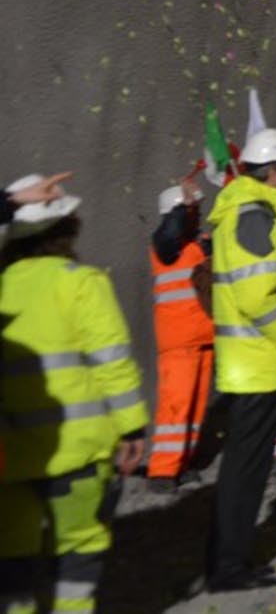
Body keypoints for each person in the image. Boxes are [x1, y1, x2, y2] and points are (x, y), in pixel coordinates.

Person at [0, 176, 149, 614]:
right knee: (78, 550)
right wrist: (132, 426)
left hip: (9, 457)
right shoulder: (80, 282)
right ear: (65, 231)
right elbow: (112, 362)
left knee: (12, 559)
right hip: (77, 452)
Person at [205, 128, 276, 592]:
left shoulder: (245, 211)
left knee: (243, 470)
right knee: (245, 473)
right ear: (275, 172)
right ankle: (228, 566)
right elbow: (255, 293)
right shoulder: (252, 215)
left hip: (253, 360)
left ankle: (231, 557)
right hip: (260, 361)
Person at [145, 179, 215, 492]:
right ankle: (162, 472)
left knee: (195, 409)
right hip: (178, 342)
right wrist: (180, 208)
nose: (197, 215)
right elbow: (170, 231)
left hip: (202, 339)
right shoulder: (164, 244)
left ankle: (183, 463)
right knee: (176, 405)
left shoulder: (195, 246)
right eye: (193, 211)